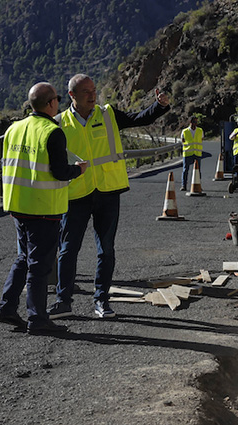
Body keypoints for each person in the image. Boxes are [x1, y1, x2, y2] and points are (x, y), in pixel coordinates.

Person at [49, 74, 170, 320]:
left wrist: (160, 106)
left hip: (107, 191)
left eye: (94, 90)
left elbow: (139, 118)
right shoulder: (58, 123)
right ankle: (63, 301)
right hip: (75, 195)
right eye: (86, 92)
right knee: (67, 250)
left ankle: (101, 301)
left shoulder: (108, 114)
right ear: (72, 96)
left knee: (106, 249)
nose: (92, 95)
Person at [0, 82, 87, 335]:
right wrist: (78, 170)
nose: (58, 102)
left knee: (23, 259)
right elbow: (59, 171)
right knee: (39, 265)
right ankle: (37, 318)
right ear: (50, 103)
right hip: (43, 207)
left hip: (18, 204)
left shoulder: (14, 128)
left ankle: (8, 308)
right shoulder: (52, 131)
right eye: (56, 98)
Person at [180, 115, 203, 191]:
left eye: (196, 122)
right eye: (194, 122)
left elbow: (201, 139)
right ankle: (184, 185)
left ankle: (198, 185)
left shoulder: (200, 130)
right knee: (185, 170)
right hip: (187, 153)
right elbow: (183, 140)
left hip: (197, 153)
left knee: (197, 171)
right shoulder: (185, 131)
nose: (195, 123)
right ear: (190, 122)